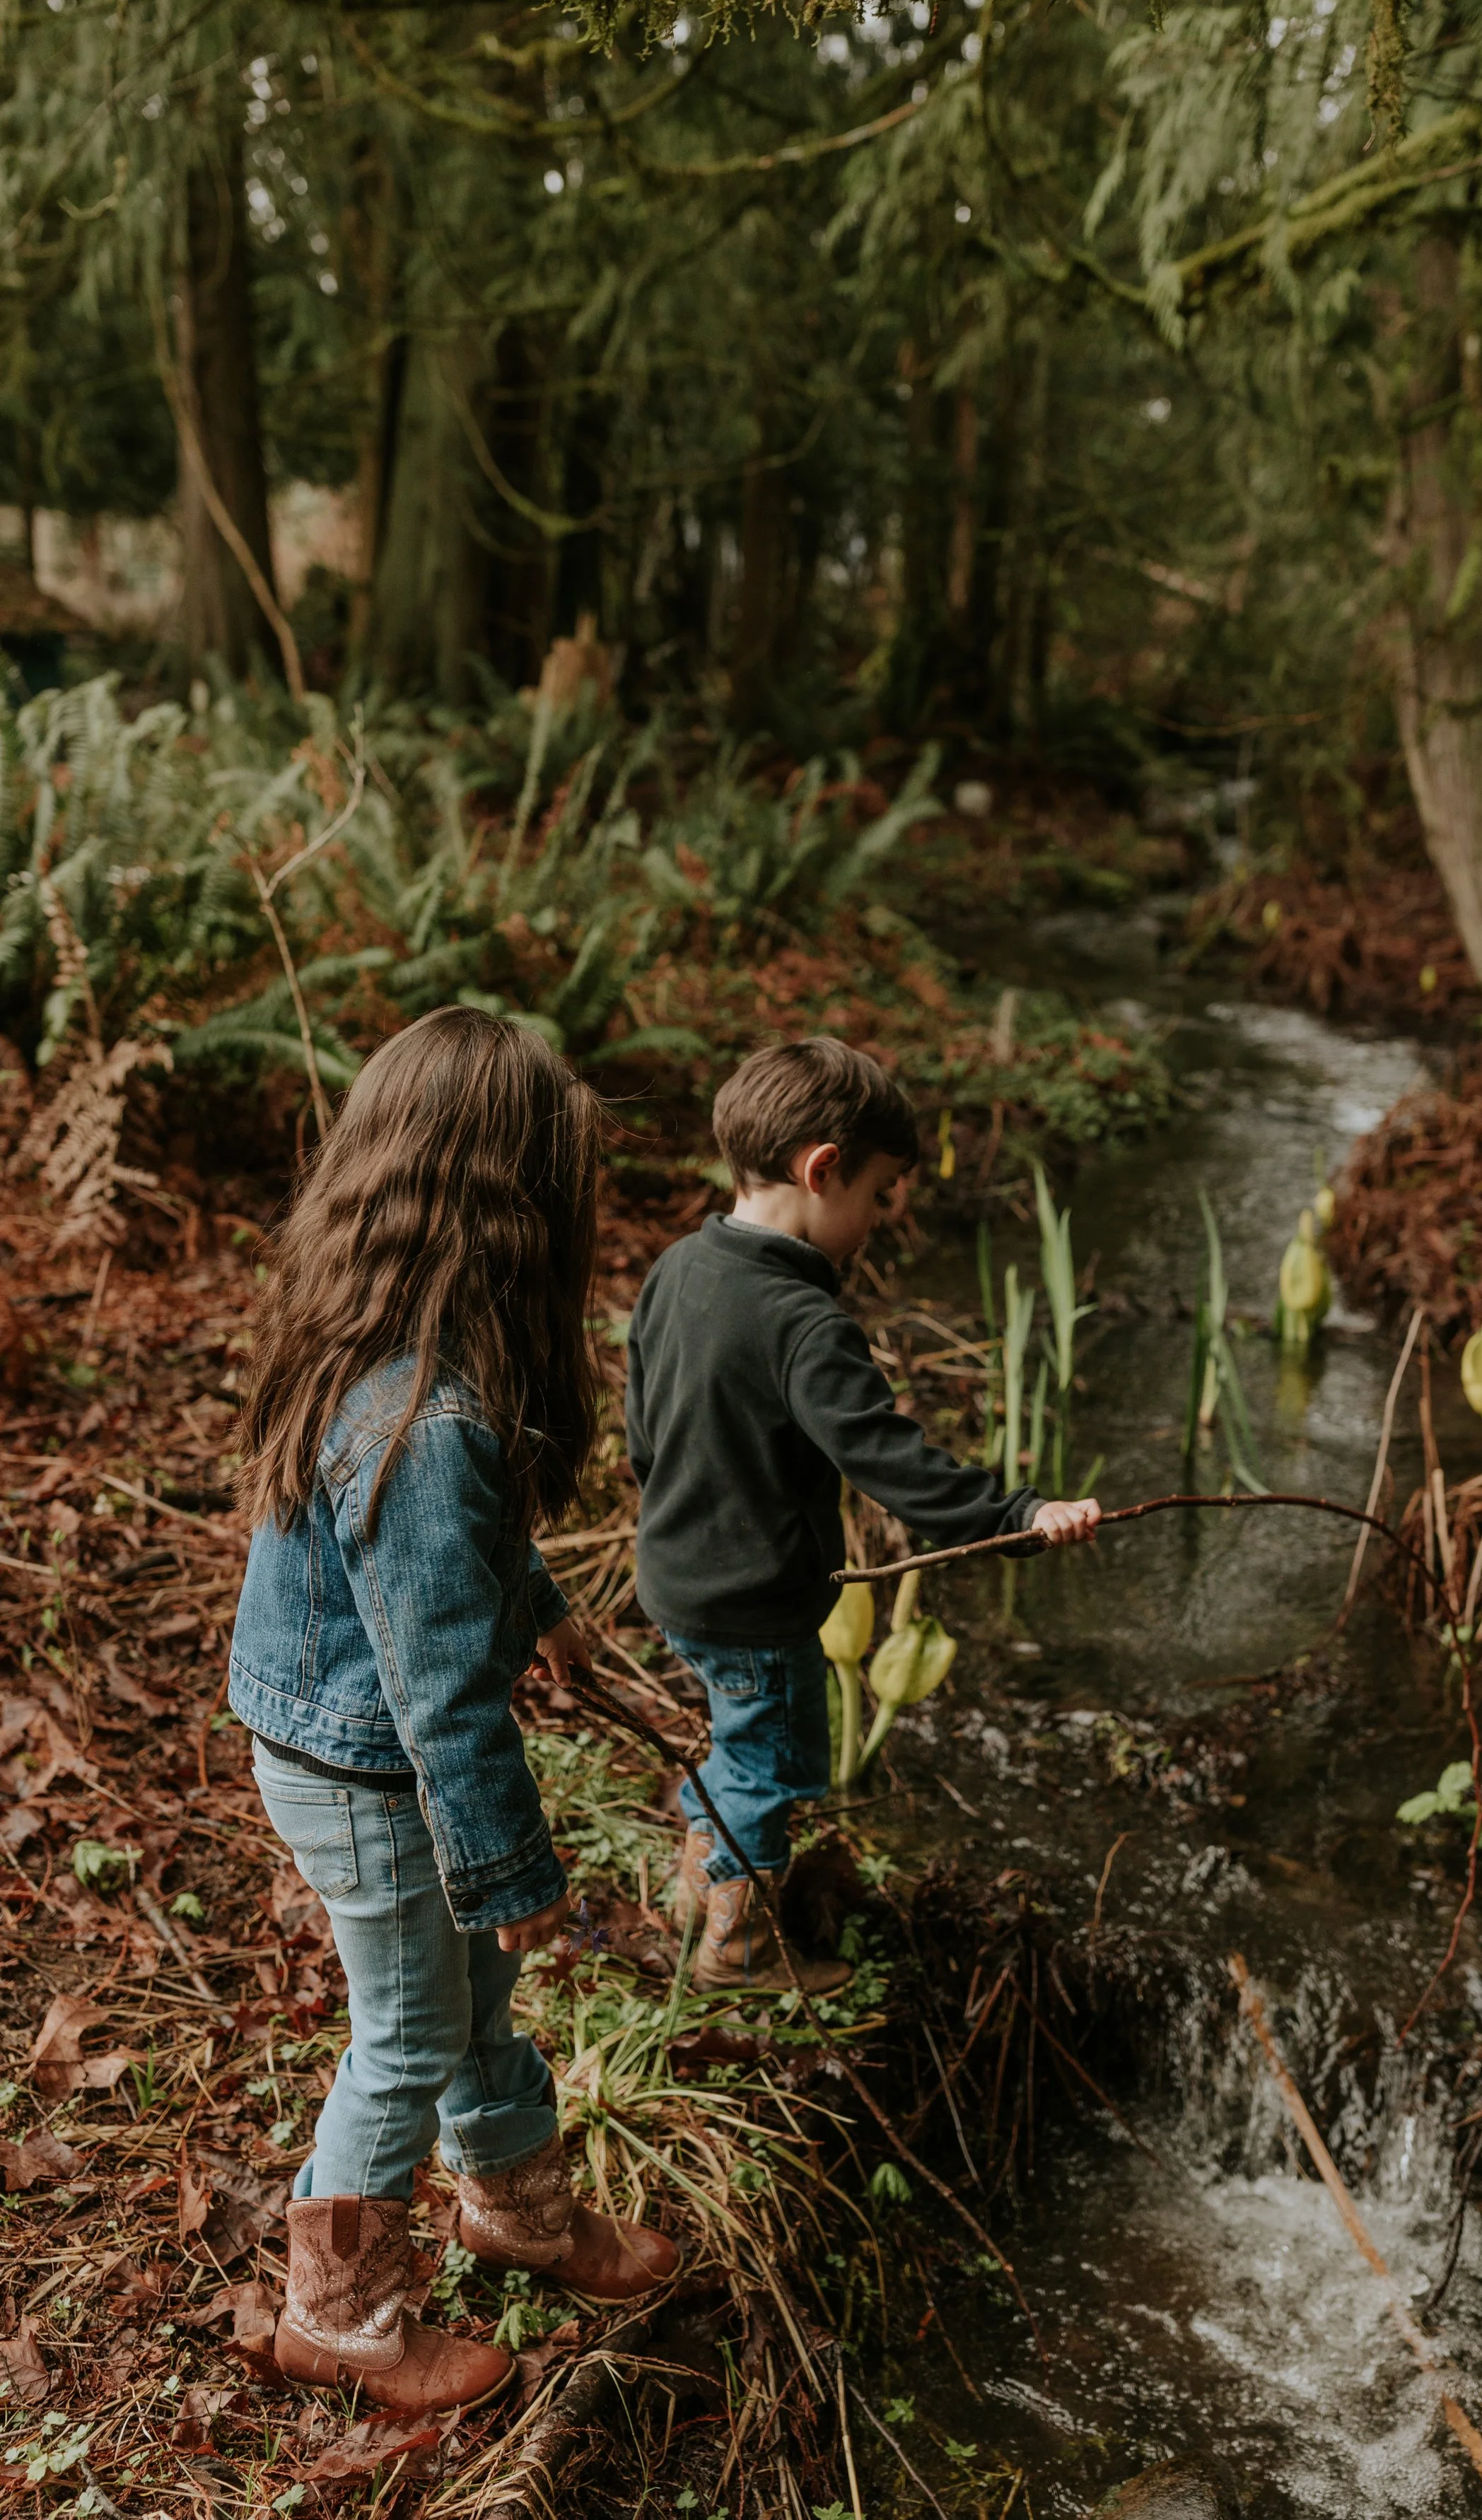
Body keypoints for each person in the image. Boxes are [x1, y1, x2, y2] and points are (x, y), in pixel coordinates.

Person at [230, 1006, 677, 2418]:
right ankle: (339, 2317)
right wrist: (511, 1872)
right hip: (369, 1774)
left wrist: (540, 1611)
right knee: (410, 2034)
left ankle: (517, 2208)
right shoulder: (423, 1423)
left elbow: (442, 1560)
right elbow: (434, 1694)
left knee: (471, 1994)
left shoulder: (394, 1357)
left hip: (350, 1750)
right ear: (510, 1209)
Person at [626, 1035, 1100, 1995]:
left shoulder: (678, 1267)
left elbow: (643, 1421)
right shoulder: (803, 1323)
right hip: (755, 1598)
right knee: (774, 1762)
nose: (881, 1222)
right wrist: (1018, 1510)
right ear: (822, 1169)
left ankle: (701, 1881)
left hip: (674, 1575)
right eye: (879, 1195)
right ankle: (737, 1946)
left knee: (738, 1739)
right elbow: (891, 1460)